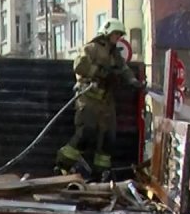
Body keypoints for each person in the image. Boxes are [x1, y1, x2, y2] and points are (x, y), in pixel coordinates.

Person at [55, 18, 145, 181]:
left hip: (106, 102)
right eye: (116, 34)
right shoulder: (91, 48)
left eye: (119, 35)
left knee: (107, 140)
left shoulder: (115, 55)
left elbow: (124, 70)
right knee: (86, 134)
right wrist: (101, 73)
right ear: (106, 32)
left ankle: (100, 174)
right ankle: (62, 165)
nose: (118, 38)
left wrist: (133, 82)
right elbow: (79, 66)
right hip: (88, 99)